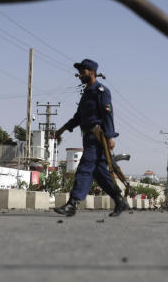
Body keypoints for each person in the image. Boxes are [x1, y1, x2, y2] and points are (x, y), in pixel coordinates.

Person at [53, 58, 130, 217]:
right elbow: (78, 117)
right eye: (79, 72)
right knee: (100, 174)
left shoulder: (101, 91)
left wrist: (109, 136)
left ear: (92, 72)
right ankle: (120, 200)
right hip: (88, 137)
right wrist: (60, 131)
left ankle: (72, 204)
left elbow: (107, 114)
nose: (80, 74)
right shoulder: (87, 93)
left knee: (85, 167)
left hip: (98, 137)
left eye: (83, 72)